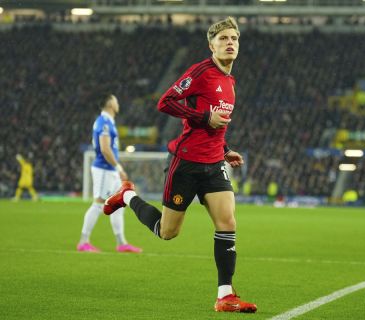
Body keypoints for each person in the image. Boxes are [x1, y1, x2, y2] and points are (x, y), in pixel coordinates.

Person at [103, 17, 257, 313]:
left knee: (227, 223)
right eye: (223, 38)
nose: (230, 43)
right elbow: (165, 102)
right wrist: (203, 119)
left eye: (234, 38)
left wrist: (224, 149)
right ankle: (127, 196)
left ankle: (225, 296)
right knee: (167, 232)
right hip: (185, 163)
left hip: (213, 164)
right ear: (211, 45)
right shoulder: (201, 72)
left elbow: (216, 126)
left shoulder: (230, 81)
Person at [77, 93, 142, 254]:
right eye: (115, 99)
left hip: (110, 170)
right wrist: (119, 167)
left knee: (118, 205)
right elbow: (105, 149)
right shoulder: (104, 122)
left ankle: (121, 243)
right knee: (98, 204)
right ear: (109, 104)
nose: (117, 102)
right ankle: (83, 242)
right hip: (104, 169)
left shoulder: (108, 122)